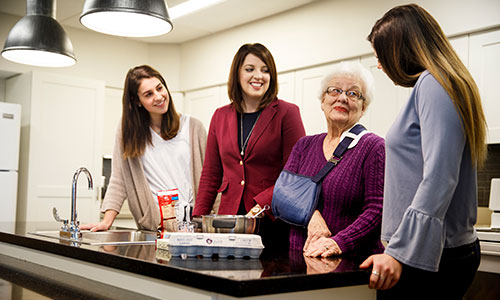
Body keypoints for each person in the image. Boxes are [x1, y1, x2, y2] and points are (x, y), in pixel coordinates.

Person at [360, 4, 487, 299]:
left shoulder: (434, 84)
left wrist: (400, 252)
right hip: (432, 252)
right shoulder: (441, 83)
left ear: (401, 50)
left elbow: (439, 178)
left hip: (428, 256)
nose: (380, 65)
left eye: (382, 56)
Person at [192, 43, 306, 251]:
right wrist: (197, 221)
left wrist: (260, 206)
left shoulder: (287, 113)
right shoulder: (220, 116)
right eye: (250, 69)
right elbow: (210, 174)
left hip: (272, 221)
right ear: (237, 74)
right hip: (228, 222)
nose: (258, 76)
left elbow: (295, 174)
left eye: (265, 70)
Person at [81, 65, 207, 232]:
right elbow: (119, 179)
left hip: (193, 225)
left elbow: (212, 178)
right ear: (137, 101)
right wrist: (106, 221)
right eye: (148, 94)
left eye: (160, 88)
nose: (158, 96)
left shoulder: (193, 127)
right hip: (153, 226)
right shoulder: (128, 131)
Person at [282, 62, 385, 258]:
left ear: (363, 108)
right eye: (335, 90)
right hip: (300, 258)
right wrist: (311, 216)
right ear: (323, 101)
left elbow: (377, 210)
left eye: (353, 93)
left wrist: (338, 242)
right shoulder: (304, 146)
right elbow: (283, 196)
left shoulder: (374, 147)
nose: (343, 97)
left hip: (348, 262)